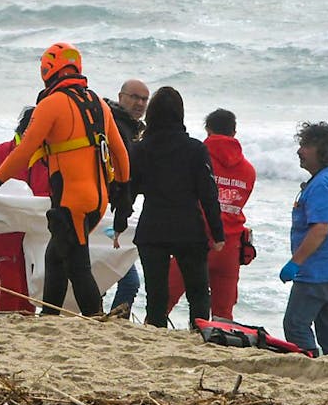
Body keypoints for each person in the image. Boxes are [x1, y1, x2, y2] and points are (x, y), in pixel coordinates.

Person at [0, 43, 130, 316]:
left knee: (78, 265)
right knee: (55, 256)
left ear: (48, 71)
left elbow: (23, 151)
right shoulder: (98, 104)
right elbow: (120, 153)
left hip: (73, 200)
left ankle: (95, 318)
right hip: (98, 199)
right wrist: (124, 194)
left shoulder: (51, 104)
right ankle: (50, 316)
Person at [114, 87, 224, 328]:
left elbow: (129, 190)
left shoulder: (141, 148)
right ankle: (200, 333)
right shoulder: (195, 149)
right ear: (180, 115)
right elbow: (208, 194)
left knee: (156, 295)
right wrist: (217, 233)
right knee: (198, 292)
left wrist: (119, 224)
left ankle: (156, 332)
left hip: (153, 228)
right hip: (188, 229)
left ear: (151, 114)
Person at [166, 108, 256, 321]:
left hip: (195, 241)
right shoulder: (248, 170)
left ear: (208, 130)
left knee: (165, 299)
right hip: (230, 247)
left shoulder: (196, 157)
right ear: (234, 133)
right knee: (223, 314)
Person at [281, 122, 328, 358]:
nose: (299, 151)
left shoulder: (323, 183)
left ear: (321, 150)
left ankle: (309, 366)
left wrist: (295, 263)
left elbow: (320, 230)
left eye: (306, 145)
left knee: (295, 324)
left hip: (320, 273)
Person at [0, 106, 48, 314]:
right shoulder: (0, 153)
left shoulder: (48, 158)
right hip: (2, 237)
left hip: (34, 239)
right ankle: (1, 333)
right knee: (11, 291)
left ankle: (21, 338)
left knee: (30, 296)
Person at [103, 79, 149, 317]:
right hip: (104, 212)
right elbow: (122, 175)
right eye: (134, 97)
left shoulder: (131, 128)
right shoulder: (116, 125)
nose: (140, 103)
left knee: (118, 277)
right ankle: (105, 322)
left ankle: (105, 322)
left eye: (144, 99)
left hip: (113, 213)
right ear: (121, 97)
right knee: (128, 281)